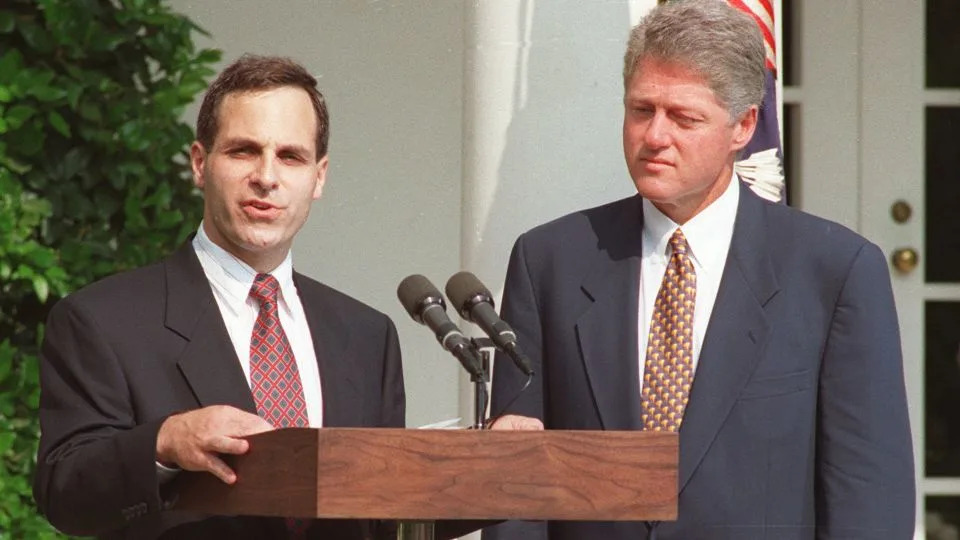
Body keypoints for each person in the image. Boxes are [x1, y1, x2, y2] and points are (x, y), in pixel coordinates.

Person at [483, 1, 915, 538]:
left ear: (744, 126)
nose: (655, 137)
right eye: (642, 110)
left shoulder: (834, 272)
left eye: (684, 117)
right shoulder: (549, 261)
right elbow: (517, 488)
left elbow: (868, 497)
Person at [33, 55, 405, 539]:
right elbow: (63, 493)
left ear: (319, 177)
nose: (267, 177)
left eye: (291, 156)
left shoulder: (367, 336)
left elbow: (387, 511)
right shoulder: (101, 321)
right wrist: (163, 443)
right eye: (244, 151)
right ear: (200, 163)